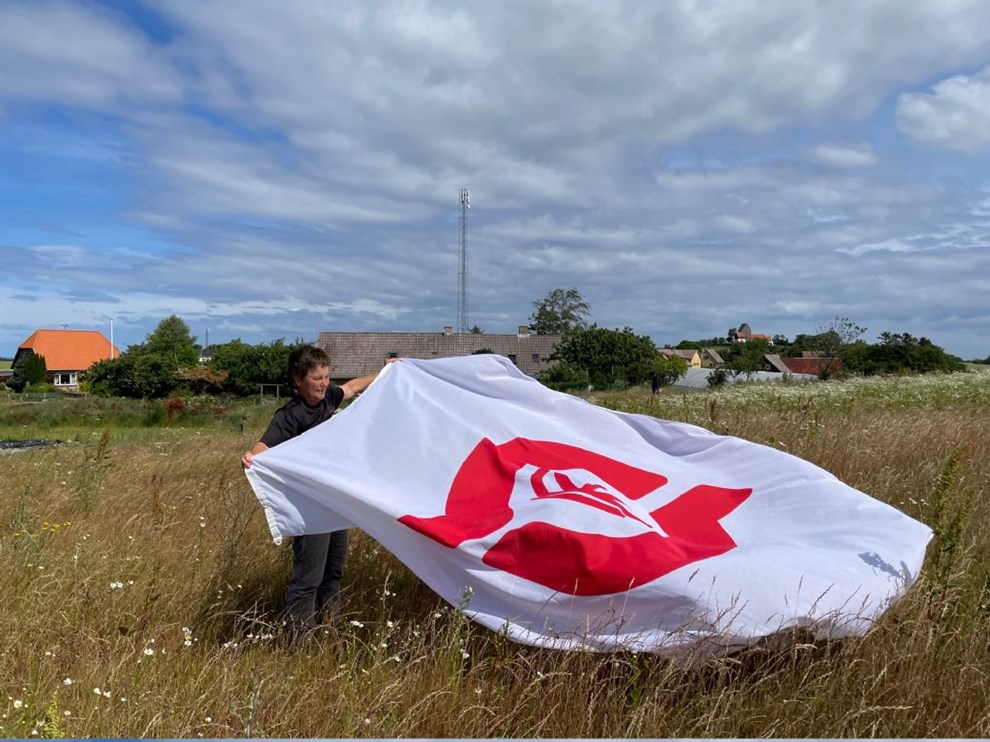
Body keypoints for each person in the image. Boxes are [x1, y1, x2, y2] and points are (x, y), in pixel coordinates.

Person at [241, 343, 390, 641]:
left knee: (333, 572)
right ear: (298, 380)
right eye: (316, 378)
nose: (324, 384)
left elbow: (351, 387)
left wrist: (388, 372)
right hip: (310, 511)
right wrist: (250, 455)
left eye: (326, 376)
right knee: (308, 578)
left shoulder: (328, 399)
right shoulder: (290, 415)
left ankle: (329, 631)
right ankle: (299, 642)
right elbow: (263, 446)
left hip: (335, 506)